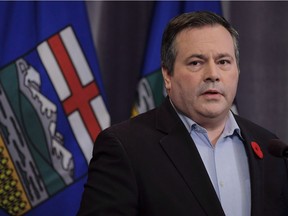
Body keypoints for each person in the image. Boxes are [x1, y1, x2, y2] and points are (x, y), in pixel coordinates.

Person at [77, 11, 288, 216]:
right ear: (167, 75)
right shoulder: (125, 147)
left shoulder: (270, 148)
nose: (213, 75)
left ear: (237, 71)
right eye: (196, 62)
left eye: (223, 62)